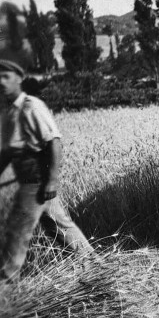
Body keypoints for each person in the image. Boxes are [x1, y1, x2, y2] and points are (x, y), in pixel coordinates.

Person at [0, 58, 94, 281]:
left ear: (19, 79)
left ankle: (6, 287)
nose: (1, 82)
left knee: (16, 235)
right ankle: (95, 267)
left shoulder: (31, 106)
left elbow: (54, 142)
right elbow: (8, 153)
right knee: (59, 228)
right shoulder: (11, 112)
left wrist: (51, 180)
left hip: (36, 182)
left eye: (6, 77)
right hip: (31, 183)